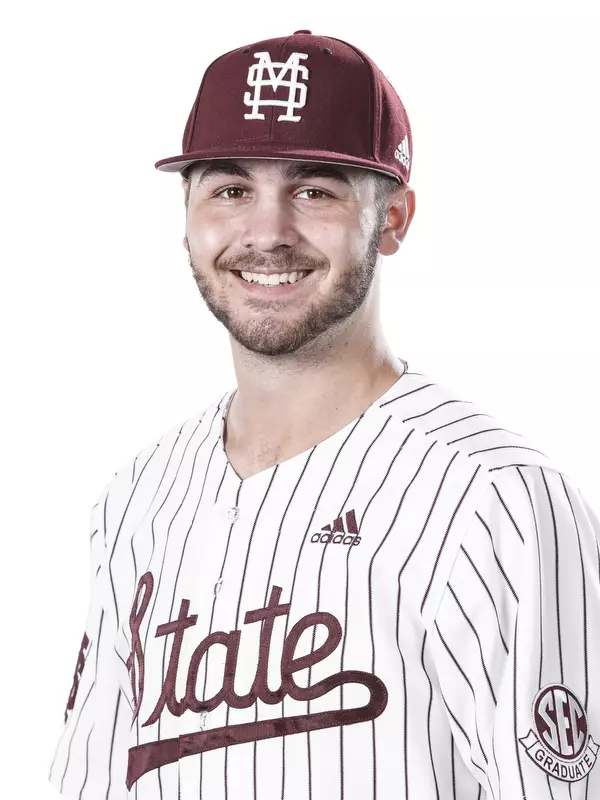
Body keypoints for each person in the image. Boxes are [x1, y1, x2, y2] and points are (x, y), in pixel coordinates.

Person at [49, 30, 600, 800]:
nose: (267, 232)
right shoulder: (137, 498)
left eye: (315, 190)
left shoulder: (494, 498)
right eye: (230, 189)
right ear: (189, 219)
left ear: (395, 219)